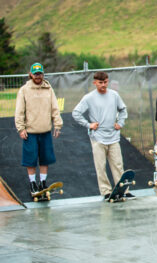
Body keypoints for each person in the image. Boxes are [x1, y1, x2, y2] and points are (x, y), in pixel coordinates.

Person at [72, 71, 134, 201]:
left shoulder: (114, 95)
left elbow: (123, 109)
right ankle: (106, 191)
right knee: (100, 166)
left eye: (105, 82)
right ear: (95, 83)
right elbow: (76, 113)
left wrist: (120, 123)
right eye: (100, 83)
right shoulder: (89, 98)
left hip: (113, 136)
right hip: (98, 137)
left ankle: (123, 190)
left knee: (118, 164)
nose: (103, 85)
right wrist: (88, 124)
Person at [15, 62, 63, 197]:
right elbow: (19, 111)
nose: (38, 76)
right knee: (30, 159)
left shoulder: (48, 89)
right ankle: (32, 183)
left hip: (45, 131)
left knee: (45, 159)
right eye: (35, 74)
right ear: (31, 74)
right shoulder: (24, 90)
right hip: (30, 132)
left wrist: (57, 125)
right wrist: (21, 128)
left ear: (43, 74)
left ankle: (43, 182)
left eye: (40, 73)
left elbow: (55, 108)